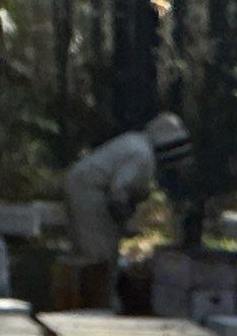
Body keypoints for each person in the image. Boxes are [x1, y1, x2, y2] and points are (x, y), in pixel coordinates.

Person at [64, 113, 193, 271]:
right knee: (99, 256)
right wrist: (127, 224)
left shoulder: (138, 142)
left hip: (86, 186)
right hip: (89, 190)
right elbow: (118, 195)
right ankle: (93, 293)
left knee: (92, 253)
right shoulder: (143, 155)